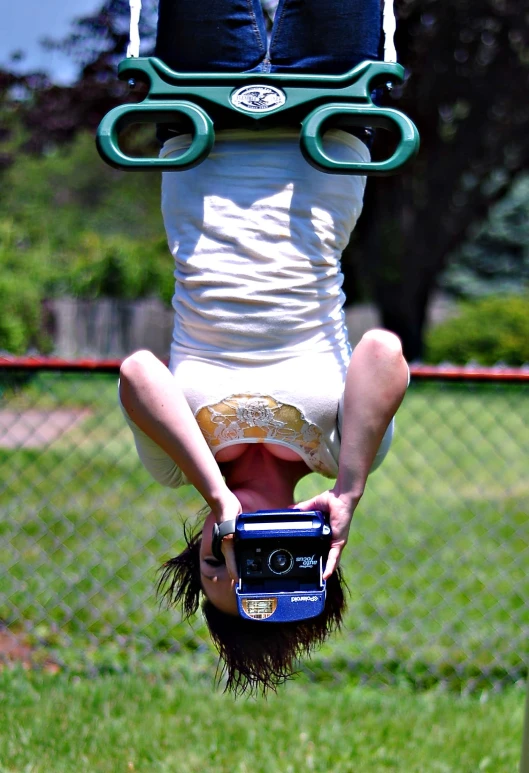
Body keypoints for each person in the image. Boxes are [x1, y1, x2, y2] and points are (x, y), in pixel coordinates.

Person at [118, 0, 409, 694]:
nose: (233, 550)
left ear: (197, 548)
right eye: (255, 564)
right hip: (322, 132)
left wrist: (214, 488)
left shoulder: (174, 463)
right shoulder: (342, 456)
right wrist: (349, 488)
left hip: (205, 133)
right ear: (311, 560)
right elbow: (382, 352)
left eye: (213, 567)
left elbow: (137, 371)